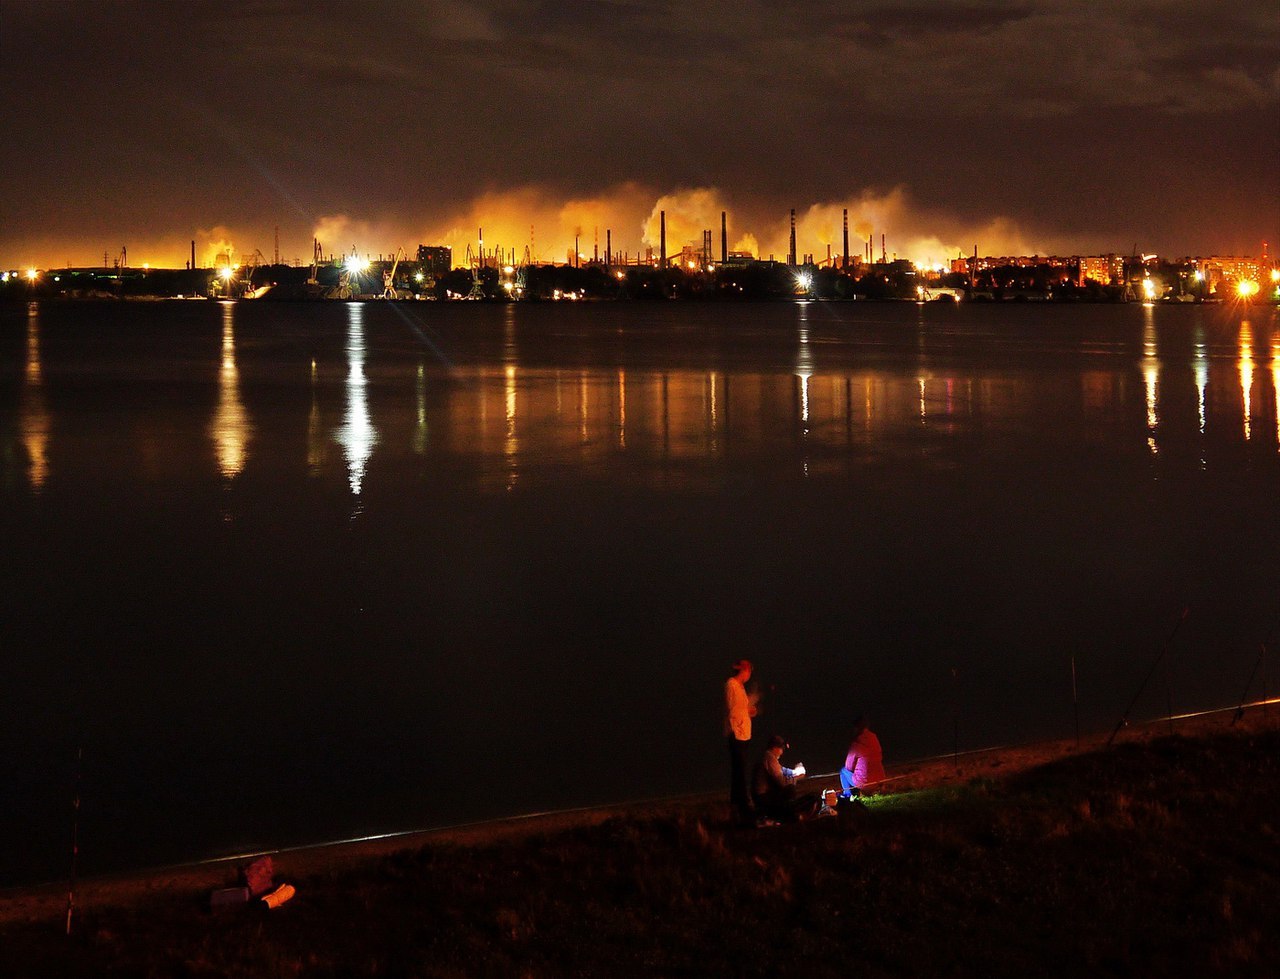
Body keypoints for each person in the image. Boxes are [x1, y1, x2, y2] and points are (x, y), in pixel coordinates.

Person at [724, 658, 758, 827]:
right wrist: (737, 726)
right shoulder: (731, 684)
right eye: (748, 671)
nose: (749, 675)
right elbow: (732, 709)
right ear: (743, 671)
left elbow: (740, 708)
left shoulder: (740, 687)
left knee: (740, 769)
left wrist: (748, 711)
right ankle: (741, 803)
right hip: (737, 733)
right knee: (739, 770)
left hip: (743, 734)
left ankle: (737, 803)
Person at [751, 734, 809, 823]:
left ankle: (783, 813)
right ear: (775, 748)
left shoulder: (767, 756)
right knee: (790, 789)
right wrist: (797, 778)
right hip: (763, 798)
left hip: (761, 796)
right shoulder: (769, 757)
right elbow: (782, 782)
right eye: (781, 749)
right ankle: (785, 815)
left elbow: (781, 769)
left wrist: (794, 771)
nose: (782, 752)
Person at [839, 714, 885, 798]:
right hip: (880, 780)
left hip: (865, 783)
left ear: (856, 728)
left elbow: (848, 766)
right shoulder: (874, 739)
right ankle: (870, 792)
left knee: (843, 771)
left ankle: (847, 795)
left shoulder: (856, 744)